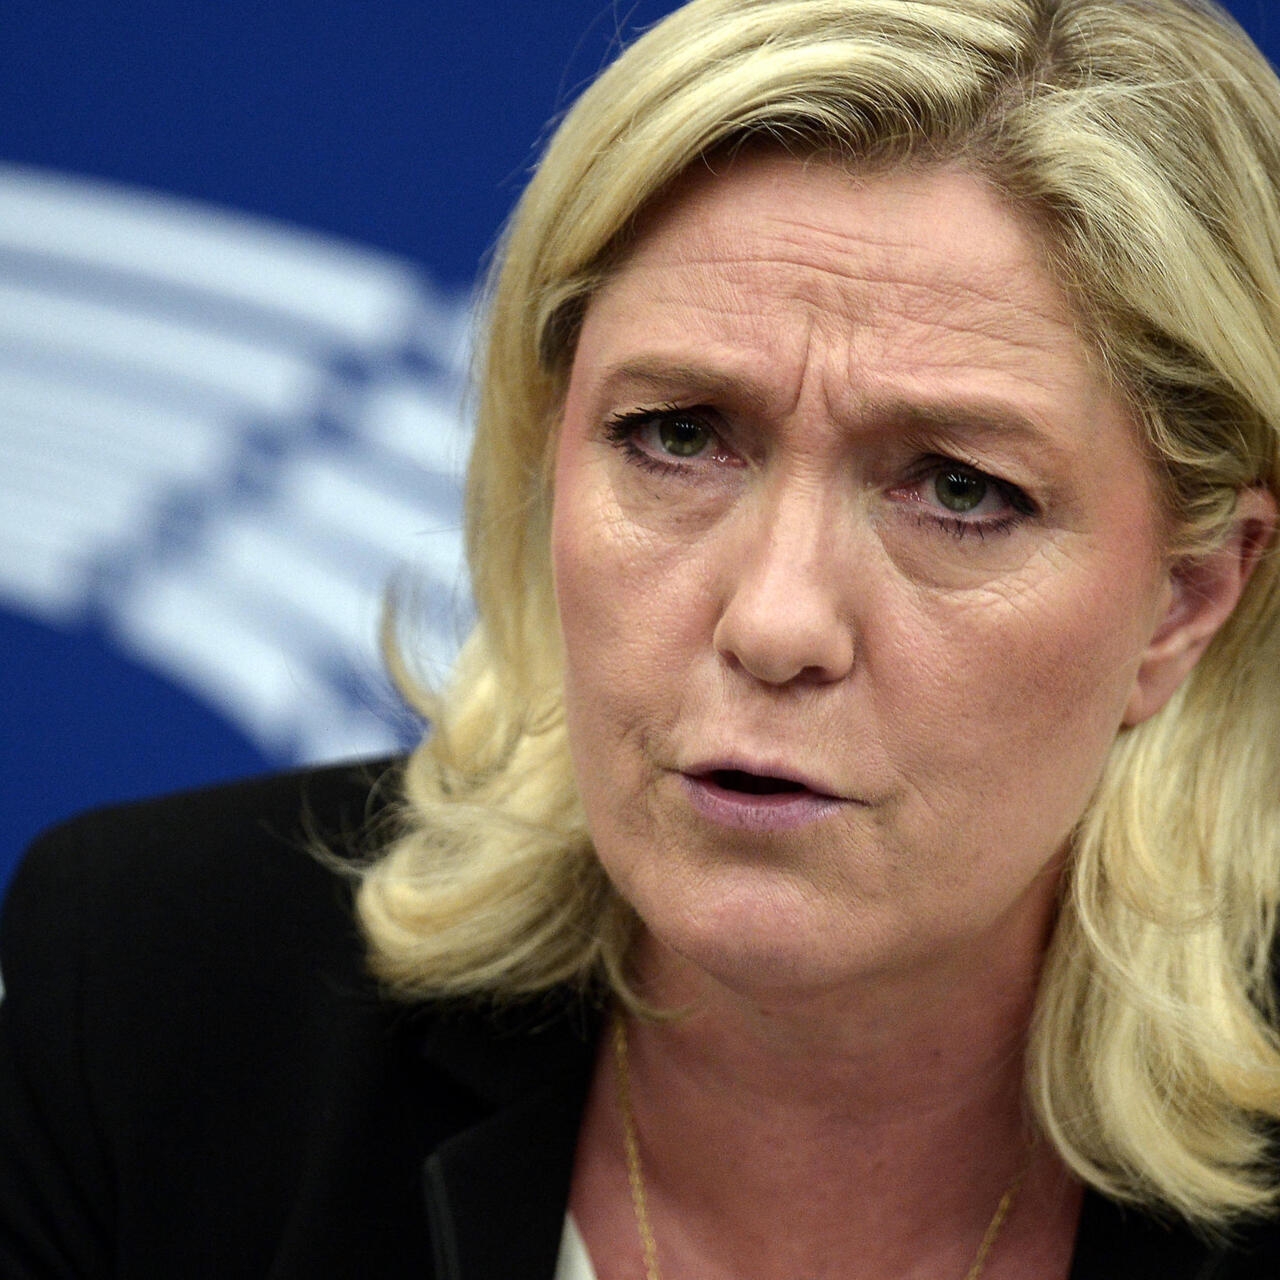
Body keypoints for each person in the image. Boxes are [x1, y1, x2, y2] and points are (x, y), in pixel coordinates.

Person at [5, 0, 1280, 1275]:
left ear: (1186, 595)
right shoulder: (147, 992)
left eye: (958, 488)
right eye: (678, 434)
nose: (773, 622)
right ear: (548, 449)